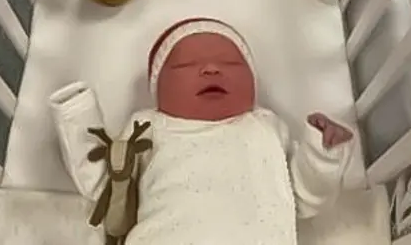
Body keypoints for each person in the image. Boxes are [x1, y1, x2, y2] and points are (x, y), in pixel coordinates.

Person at [51, 18, 354, 245]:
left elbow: (302, 198)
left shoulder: (265, 127)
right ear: (158, 93)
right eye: (186, 65)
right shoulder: (148, 127)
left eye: (231, 63)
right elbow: (107, 185)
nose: (211, 68)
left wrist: (321, 154)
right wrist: (77, 115)